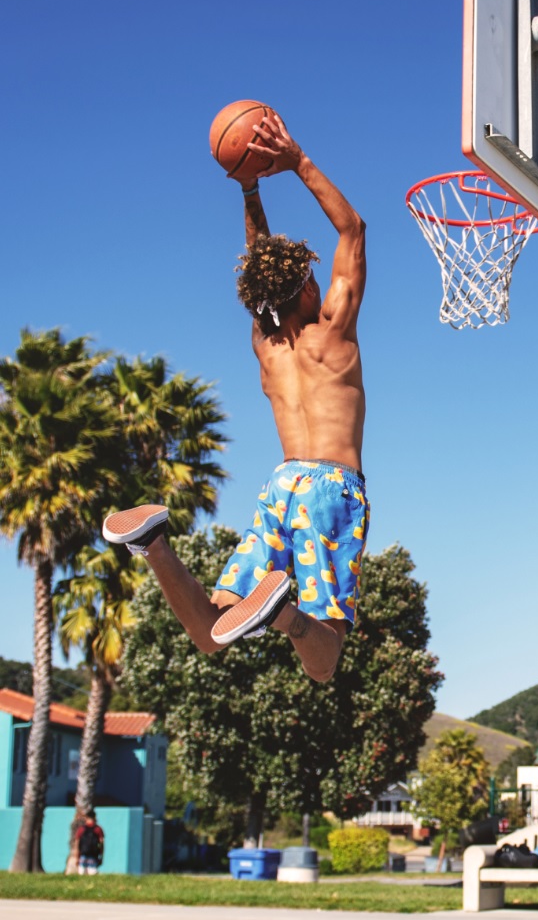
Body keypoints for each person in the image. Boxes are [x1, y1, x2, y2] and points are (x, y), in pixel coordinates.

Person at [103, 110, 368, 683]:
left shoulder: (266, 343)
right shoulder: (333, 334)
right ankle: (287, 617)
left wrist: (250, 189)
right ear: (308, 284)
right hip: (331, 488)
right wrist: (297, 160)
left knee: (211, 632)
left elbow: (260, 267)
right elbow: (352, 230)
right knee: (323, 662)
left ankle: (153, 545)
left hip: (281, 485)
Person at [76, 810, 104, 875]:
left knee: (81, 874)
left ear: (86, 818)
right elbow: (101, 843)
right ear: (95, 818)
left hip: (83, 855)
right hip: (93, 856)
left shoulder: (81, 829)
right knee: (92, 874)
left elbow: (77, 843)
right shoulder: (98, 829)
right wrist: (101, 856)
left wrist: (77, 856)